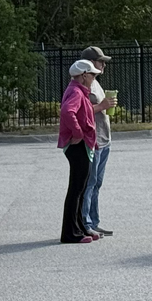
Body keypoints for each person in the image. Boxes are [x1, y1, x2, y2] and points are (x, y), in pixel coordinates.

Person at [57, 59, 100, 244]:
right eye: (92, 75)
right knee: (76, 189)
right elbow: (67, 111)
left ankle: (79, 228)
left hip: (82, 144)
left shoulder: (78, 90)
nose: (93, 78)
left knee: (80, 188)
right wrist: (78, 133)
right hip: (77, 145)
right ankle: (70, 234)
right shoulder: (76, 91)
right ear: (83, 75)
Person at [79, 45, 113, 238]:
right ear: (90, 63)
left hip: (104, 139)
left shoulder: (96, 83)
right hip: (94, 141)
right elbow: (80, 111)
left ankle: (94, 221)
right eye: (101, 61)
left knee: (97, 182)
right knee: (89, 182)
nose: (103, 65)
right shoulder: (84, 84)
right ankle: (86, 223)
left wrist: (105, 106)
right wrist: (101, 106)